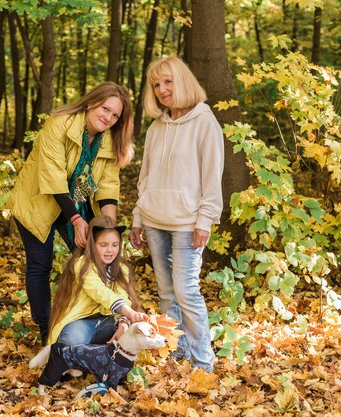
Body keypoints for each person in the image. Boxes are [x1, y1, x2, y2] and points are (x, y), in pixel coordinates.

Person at [10, 82, 134, 342]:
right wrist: (77, 220)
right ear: (91, 103)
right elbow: (53, 177)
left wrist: (108, 228)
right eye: (105, 109)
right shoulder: (59, 123)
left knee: (97, 259)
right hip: (37, 200)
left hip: (76, 201)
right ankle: (47, 332)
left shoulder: (109, 139)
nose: (108, 118)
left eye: (115, 115)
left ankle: (97, 322)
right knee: (39, 265)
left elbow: (108, 184)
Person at [129, 56, 224, 372]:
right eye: (156, 85)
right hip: (155, 220)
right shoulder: (157, 127)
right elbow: (147, 177)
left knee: (186, 293)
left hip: (187, 223)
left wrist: (205, 219)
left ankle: (202, 362)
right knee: (167, 294)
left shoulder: (204, 121)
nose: (162, 89)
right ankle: (178, 352)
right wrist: (138, 218)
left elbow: (212, 175)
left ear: (182, 81)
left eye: (167, 81)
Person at [47, 215, 147, 346]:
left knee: (137, 329)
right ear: (92, 244)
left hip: (109, 321)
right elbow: (99, 291)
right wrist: (128, 312)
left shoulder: (121, 268)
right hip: (81, 321)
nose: (110, 250)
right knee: (69, 340)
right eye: (103, 245)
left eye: (115, 245)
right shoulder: (81, 264)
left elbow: (122, 294)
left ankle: (105, 353)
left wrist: (124, 323)